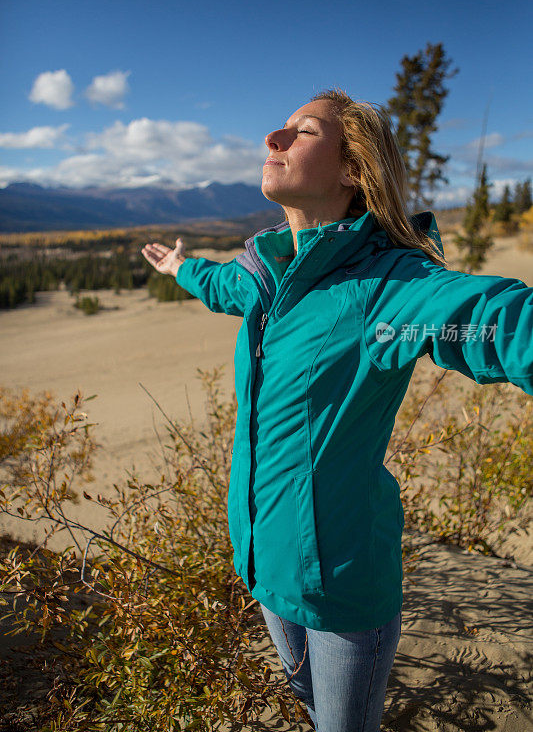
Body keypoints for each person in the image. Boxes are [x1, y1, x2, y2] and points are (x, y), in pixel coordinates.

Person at [141, 88, 533, 732]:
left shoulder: (388, 289)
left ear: (354, 169)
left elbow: (487, 321)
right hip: (264, 562)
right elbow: (220, 285)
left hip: (343, 587)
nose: (275, 139)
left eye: (303, 131)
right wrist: (182, 267)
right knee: (309, 702)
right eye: (280, 128)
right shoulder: (269, 274)